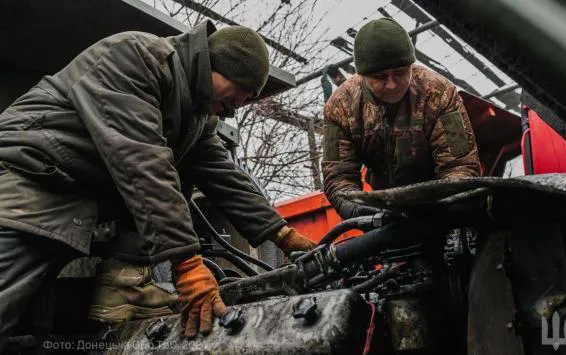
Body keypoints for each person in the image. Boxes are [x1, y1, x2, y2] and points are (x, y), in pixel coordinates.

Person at [0, 20, 315, 350]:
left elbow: (223, 173)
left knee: (31, 333)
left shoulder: (196, 117)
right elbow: (140, 162)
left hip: (69, 199)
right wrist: (188, 265)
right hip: (26, 184)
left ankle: (123, 283)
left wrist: (282, 233)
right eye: (240, 90)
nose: (237, 107)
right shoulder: (137, 57)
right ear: (214, 65)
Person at [322, 18, 481, 218]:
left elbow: (461, 165)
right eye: (380, 77)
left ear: (411, 66)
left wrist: (446, 210)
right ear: (363, 76)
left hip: (440, 206)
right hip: (382, 212)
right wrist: (362, 212)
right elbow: (337, 175)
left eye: (399, 72)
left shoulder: (439, 93)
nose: (392, 84)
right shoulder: (340, 106)